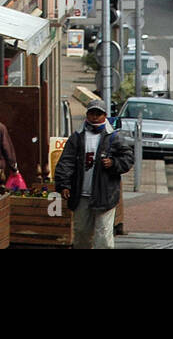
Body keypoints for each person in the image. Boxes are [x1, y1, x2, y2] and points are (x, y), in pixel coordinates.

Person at [54, 98, 133, 249]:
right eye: (92, 113)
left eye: (99, 113)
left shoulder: (114, 137)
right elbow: (66, 161)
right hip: (81, 194)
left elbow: (128, 158)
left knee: (103, 234)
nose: (95, 116)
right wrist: (64, 184)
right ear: (87, 115)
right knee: (81, 232)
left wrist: (114, 163)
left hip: (105, 194)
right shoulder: (77, 137)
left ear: (105, 115)